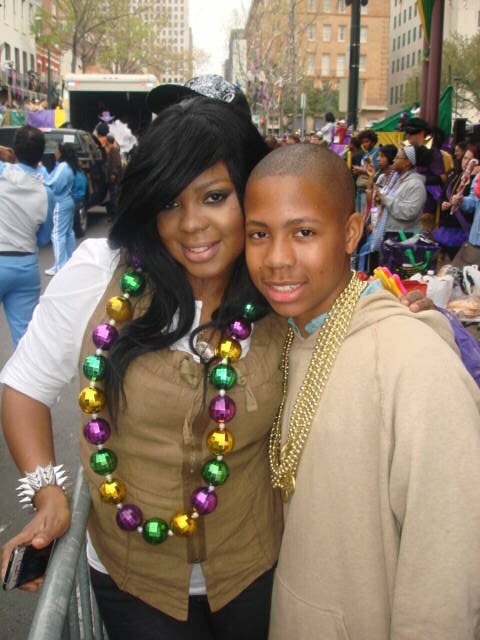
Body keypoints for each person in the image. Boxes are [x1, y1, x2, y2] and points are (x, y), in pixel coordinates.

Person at [0, 95, 285, 640]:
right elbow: (25, 385)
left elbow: (350, 309)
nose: (192, 224)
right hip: (133, 585)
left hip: (257, 571)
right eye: (169, 201)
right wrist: (48, 493)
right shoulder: (99, 274)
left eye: (216, 197)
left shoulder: (278, 284)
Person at [243, 143, 480, 640]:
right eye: (259, 234)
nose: (277, 258)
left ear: (352, 233)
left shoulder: (415, 365)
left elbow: (447, 577)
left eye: (304, 233)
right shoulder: (283, 337)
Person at [0, 125, 53, 346]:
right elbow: (44, 237)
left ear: (14, 151)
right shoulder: (47, 192)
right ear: (41, 156)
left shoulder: (2, 173)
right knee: (24, 340)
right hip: (26, 266)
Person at [44, 142, 77, 276]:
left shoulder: (62, 166)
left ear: (62, 152)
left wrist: (43, 180)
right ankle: (69, 261)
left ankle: (59, 266)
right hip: (69, 201)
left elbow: (55, 184)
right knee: (68, 232)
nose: (55, 153)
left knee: (57, 234)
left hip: (60, 202)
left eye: (57, 150)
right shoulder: (70, 166)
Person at [104, 134, 122, 217]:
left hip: (114, 178)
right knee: (112, 196)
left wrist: (114, 173)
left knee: (114, 196)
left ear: (108, 141)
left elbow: (116, 163)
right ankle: (113, 213)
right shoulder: (111, 150)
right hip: (112, 178)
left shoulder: (113, 150)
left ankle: (115, 214)